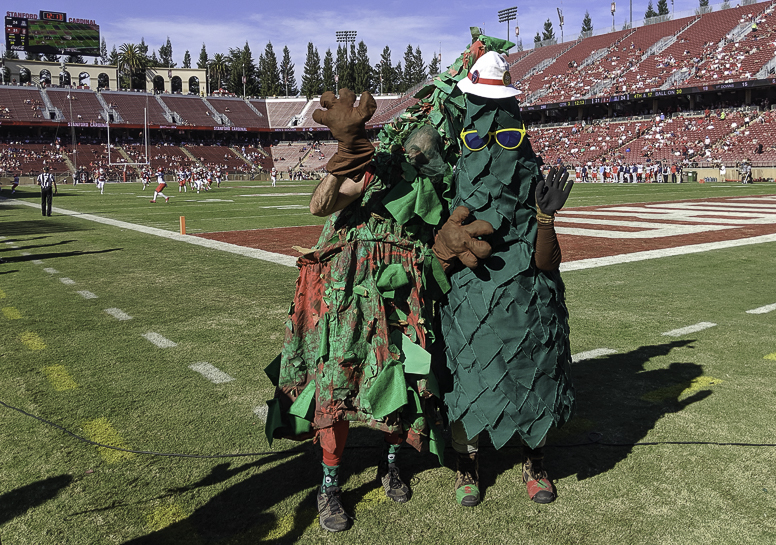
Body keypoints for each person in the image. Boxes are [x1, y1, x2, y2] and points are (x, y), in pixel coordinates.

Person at [441, 51, 574, 508]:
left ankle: (534, 461)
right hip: (470, 297)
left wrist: (545, 219)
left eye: (510, 132)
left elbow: (547, 262)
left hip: (529, 298)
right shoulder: (451, 178)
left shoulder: (530, 177)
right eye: (479, 134)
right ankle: (467, 464)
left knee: (533, 373)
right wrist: (444, 243)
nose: (494, 143)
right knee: (469, 374)